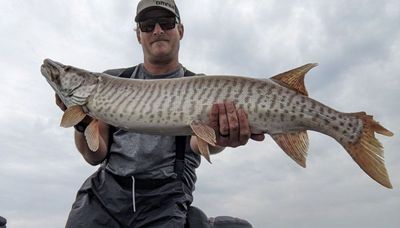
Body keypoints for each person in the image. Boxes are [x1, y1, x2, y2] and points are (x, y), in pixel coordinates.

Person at [57, 0, 265, 227]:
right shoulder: (112, 81)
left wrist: (221, 137)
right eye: (147, 25)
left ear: (180, 30)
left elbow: (199, 144)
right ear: (138, 35)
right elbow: (94, 156)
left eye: (166, 22)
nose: (157, 30)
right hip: (105, 194)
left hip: (165, 200)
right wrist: (82, 123)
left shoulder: (201, 86)